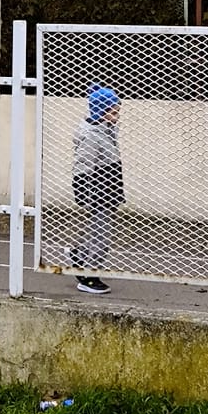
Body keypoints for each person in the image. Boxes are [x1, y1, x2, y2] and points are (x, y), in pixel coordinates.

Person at [69, 83, 123, 294]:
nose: (117, 115)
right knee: (103, 236)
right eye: (113, 111)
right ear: (101, 112)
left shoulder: (107, 130)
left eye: (118, 111)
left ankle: (80, 255)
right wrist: (82, 189)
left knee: (98, 231)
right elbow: (82, 163)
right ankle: (89, 277)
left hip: (109, 188)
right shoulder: (92, 136)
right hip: (98, 190)